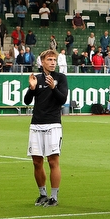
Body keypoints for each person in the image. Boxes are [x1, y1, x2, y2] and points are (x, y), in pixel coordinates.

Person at [24, 50, 68, 206]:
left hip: (53, 124)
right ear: (42, 62)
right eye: (49, 59)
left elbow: (62, 99)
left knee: (52, 161)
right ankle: (42, 194)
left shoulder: (60, 78)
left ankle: (54, 197)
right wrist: (32, 88)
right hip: (36, 123)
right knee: (37, 162)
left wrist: (53, 88)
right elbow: (27, 101)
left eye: (54, 59)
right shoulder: (37, 78)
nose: (52, 62)